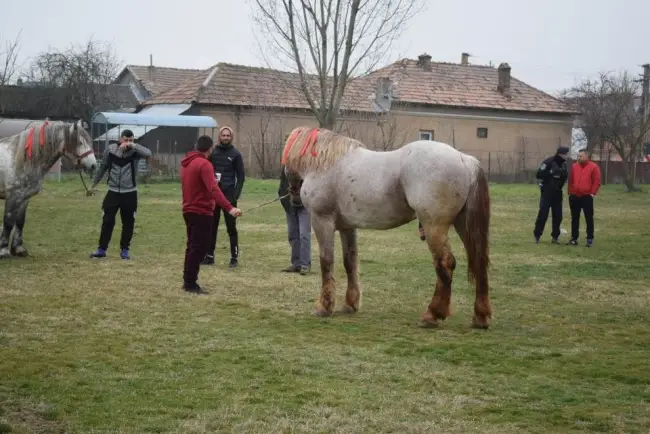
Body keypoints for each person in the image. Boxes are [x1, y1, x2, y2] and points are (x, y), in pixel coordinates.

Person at [180, 136, 242, 293]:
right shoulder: (204, 164)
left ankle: (188, 279)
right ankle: (190, 283)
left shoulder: (187, 163)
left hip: (188, 209)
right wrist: (230, 208)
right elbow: (213, 189)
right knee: (199, 247)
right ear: (210, 148)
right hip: (202, 211)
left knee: (192, 246)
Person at [89, 129, 152, 259]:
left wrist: (133, 145)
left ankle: (125, 250)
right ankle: (101, 249)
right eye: (126, 140)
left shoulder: (135, 151)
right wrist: (92, 185)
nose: (128, 143)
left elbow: (148, 153)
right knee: (107, 221)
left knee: (128, 223)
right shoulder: (111, 150)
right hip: (112, 192)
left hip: (130, 193)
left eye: (131, 140)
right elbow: (103, 167)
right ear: (120, 139)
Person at [202, 126, 245, 268]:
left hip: (228, 197)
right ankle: (209, 256)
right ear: (219, 137)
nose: (225, 137)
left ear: (231, 137)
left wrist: (235, 195)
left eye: (228, 135)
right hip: (214, 195)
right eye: (223, 135)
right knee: (211, 226)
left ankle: (234, 257)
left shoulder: (236, 154)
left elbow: (241, 176)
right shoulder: (213, 152)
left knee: (231, 228)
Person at [278, 165, 311, 275]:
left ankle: (305, 264)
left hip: (304, 206)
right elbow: (282, 187)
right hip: (290, 205)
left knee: (304, 235)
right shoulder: (286, 168)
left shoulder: (306, 166)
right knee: (292, 235)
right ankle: (296, 263)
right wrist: (287, 204)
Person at [533, 146, 569, 244]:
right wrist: (550, 173)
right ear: (560, 154)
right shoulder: (548, 162)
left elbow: (565, 176)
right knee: (543, 214)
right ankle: (537, 235)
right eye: (565, 154)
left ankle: (555, 237)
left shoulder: (564, 164)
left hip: (558, 193)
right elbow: (539, 174)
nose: (566, 156)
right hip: (547, 192)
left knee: (558, 216)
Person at [567, 148, 601, 247]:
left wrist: (592, 193)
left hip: (587, 197)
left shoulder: (593, 167)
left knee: (589, 218)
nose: (578, 157)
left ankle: (589, 238)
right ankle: (574, 238)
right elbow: (570, 180)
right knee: (575, 218)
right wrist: (570, 193)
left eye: (580, 156)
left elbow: (596, 181)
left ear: (586, 156)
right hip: (575, 196)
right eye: (578, 156)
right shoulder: (574, 167)